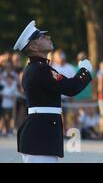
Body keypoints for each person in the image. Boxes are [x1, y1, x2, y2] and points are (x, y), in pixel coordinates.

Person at [13, 20, 92, 163]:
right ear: (33, 46)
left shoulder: (39, 68)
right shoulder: (40, 70)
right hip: (40, 135)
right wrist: (85, 71)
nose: (48, 38)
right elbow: (70, 88)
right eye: (42, 37)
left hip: (41, 134)